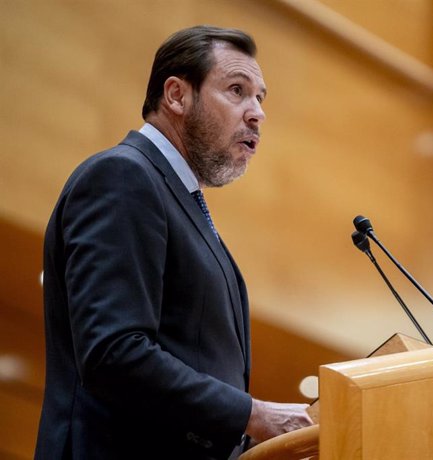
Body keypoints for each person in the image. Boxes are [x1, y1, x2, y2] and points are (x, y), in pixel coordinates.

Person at [35, 25, 312, 459]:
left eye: (260, 98)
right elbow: (114, 352)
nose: (256, 112)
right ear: (177, 96)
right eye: (237, 90)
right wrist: (252, 415)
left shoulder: (175, 196)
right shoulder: (124, 177)